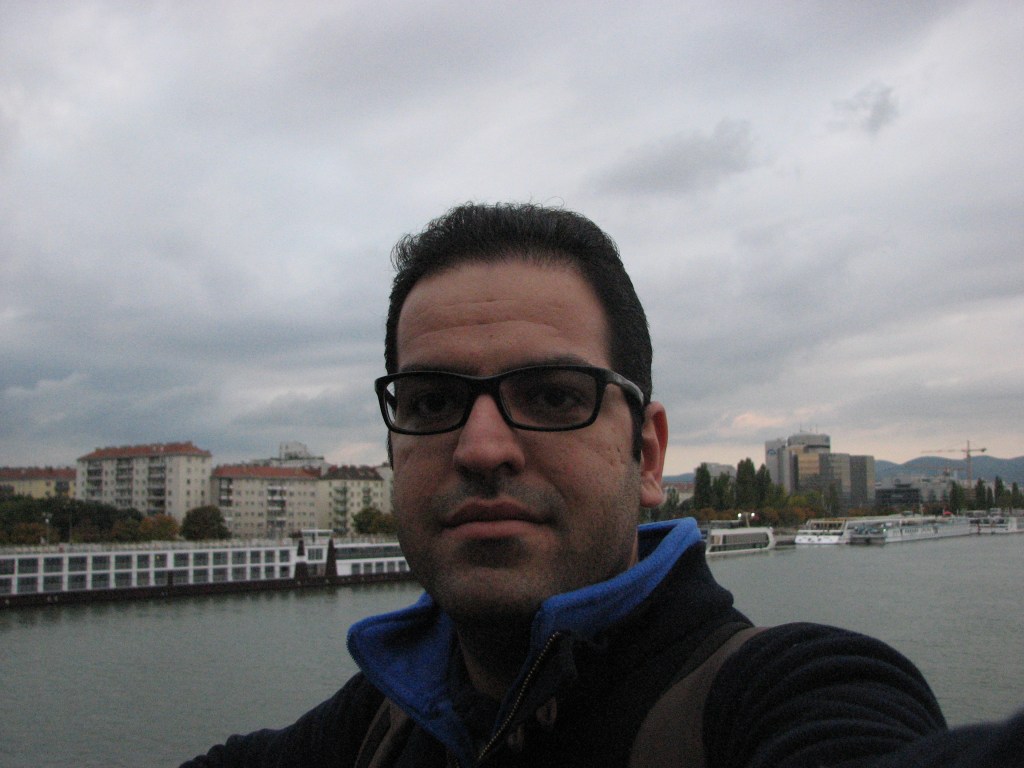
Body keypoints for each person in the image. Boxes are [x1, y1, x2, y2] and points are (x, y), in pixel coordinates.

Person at [182, 203, 1021, 767]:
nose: (481, 448)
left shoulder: (783, 696)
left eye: (552, 396)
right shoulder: (372, 727)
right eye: (432, 402)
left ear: (648, 455)